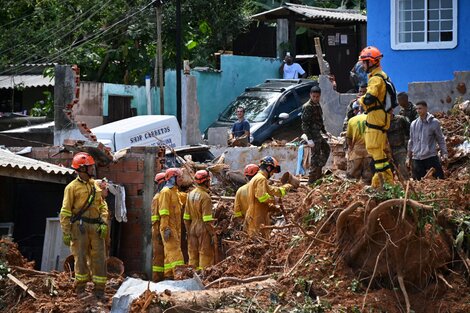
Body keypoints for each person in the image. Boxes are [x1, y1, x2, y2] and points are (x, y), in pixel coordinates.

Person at [60, 152, 108, 299]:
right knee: (80, 258)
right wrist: (66, 232)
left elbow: (102, 206)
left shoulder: (95, 186)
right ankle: (81, 289)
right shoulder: (71, 187)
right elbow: (65, 211)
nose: (93, 169)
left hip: (96, 228)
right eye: (90, 167)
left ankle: (99, 290)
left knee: (99, 258)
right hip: (79, 228)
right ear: (81, 169)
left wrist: (104, 222)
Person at [358, 46, 394, 188]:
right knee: (378, 151)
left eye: (364, 62)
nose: (362, 65)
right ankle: (383, 182)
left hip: (376, 116)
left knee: (374, 148)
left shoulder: (376, 80)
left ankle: (381, 183)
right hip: (380, 116)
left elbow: (369, 99)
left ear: (372, 62)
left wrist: (360, 100)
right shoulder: (380, 76)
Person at [245, 156, 292, 238]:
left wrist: (286, 187)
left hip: (256, 215)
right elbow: (262, 197)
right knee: (258, 242)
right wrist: (274, 200)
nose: (273, 174)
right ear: (269, 168)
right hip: (257, 217)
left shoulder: (257, 178)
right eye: (273, 171)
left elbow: (272, 189)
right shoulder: (261, 179)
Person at [407, 101, 448, 180]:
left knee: (439, 180)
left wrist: (444, 153)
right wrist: (408, 157)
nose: (418, 111)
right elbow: (411, 141)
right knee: (419, 183)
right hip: (417, 158)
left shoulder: (434, 122)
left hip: (430, 157)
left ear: (426, 108)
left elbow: (440, 139)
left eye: (420, 108)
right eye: (417, 109)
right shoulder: (413, 124)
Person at [184, 170, 216, 270]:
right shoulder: (205, 197)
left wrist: (189, 231)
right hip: (203, 229)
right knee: (205, 254)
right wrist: (212, 234)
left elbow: (186, 217)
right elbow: (207, 220)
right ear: (206, 182)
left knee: (193, 254)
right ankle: (203, 277)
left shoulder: (190, 194)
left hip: (192, 227)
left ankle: (192, 276)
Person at [158, 168, 185, 279]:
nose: (181, 179)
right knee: (175, 253)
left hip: (175, 227)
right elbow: (163, 212)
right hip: (169, 227)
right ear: (172, 178)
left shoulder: (174, 192)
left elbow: (182, 198)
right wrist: (166, 228)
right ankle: (181, 277)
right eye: (179, 177)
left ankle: (168, 276)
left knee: (169, 254)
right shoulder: (165, 192)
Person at [301, 86, 331, 183]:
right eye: (313, 96)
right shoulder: (307, 107)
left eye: (317, 97)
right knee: (315, 156)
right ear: (310, 95)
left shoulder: (317, 105)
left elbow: (320, 120)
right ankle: (311, 179)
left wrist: (325, 132)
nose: (315, 98)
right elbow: (304, 124)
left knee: (326, 149)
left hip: (318, 134)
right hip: (312, 135)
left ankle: (318, 169)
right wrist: (309, 139)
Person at [346, 113, 373, 184]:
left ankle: (352, 193)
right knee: (368, 178)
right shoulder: (373, 118)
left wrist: (351, 149)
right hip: (370, 152)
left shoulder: (352, 120)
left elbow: (348, 139)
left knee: (352, 179)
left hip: (356, 152)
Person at [151, 172, 166, 282]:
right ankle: (156, 280)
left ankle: (161, 278)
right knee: (158, 256)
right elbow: (155, 218)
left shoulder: (161, 196)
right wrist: (159, 232)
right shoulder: (157, 198)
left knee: (162, 255)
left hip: (160, 229)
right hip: (157, 230)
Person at [387, 114, 410, 180]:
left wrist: (406, 145)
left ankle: (406, 186)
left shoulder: (400, 119)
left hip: (400, 149)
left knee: (403, 171)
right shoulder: (383, 122)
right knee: (389, 174)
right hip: (388, 151)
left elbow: (408, 132)